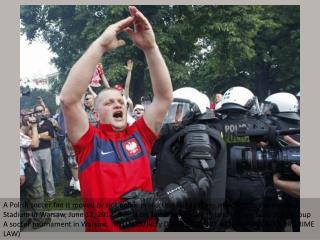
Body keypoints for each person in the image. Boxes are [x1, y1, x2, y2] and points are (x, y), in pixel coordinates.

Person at [59, 6, 173, 232]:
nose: (118, 103)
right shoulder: (88, 142)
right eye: (109, 102)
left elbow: (164, 97)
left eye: (120, 100)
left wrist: (151, 47)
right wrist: (101, 45)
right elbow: (69, 99)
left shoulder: (140, 135)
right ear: (96, 114)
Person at [110, 87, 227, 231]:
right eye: (172, 111)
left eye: (179, 110)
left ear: (195, 111)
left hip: (198, 221)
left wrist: (153, 203)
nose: (174, 116)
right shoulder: (181, 132)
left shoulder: (198, 135)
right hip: (185, 214)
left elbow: (198, 183)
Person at [214, 86, 266, 232]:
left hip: (225, 184)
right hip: (253, 184)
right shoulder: (259, 124)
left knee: (221, 226)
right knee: (250, 227)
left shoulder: (216, 126)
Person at [31, 104, 56, 201]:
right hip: (33, 151)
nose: (40, 113)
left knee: (47, 172)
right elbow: (29, 136)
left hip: (45, 150)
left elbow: (50, 136)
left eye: (41, 111)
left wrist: (37, 136)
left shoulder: (48, 122)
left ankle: (51, 193)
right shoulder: (31, 123)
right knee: (37, 174)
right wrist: (42, 134)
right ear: (34, 112)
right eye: (37, 111)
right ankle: (40, 193)